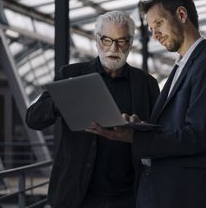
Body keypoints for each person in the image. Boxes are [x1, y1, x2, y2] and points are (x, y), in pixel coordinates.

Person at [87, 0, 206, 208]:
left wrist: (134, 138)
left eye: (159, 24)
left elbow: (196, 136)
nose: (155, 35)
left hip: (186, 194)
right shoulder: (184, 65)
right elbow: (175, 127)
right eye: (152, 29)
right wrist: (140, 127)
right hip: (166, 189)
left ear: (181, 15)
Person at [25, 11, 159, 208]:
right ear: (97, 40)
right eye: (107, 40)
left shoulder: (146, 83)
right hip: (77, 196)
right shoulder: (71, 74)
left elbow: (160, 134)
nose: (113, 48)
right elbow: (33, 119)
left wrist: (141, 128)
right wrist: (61, 102)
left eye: (121, 41)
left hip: (129, 197)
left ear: (130, 43)